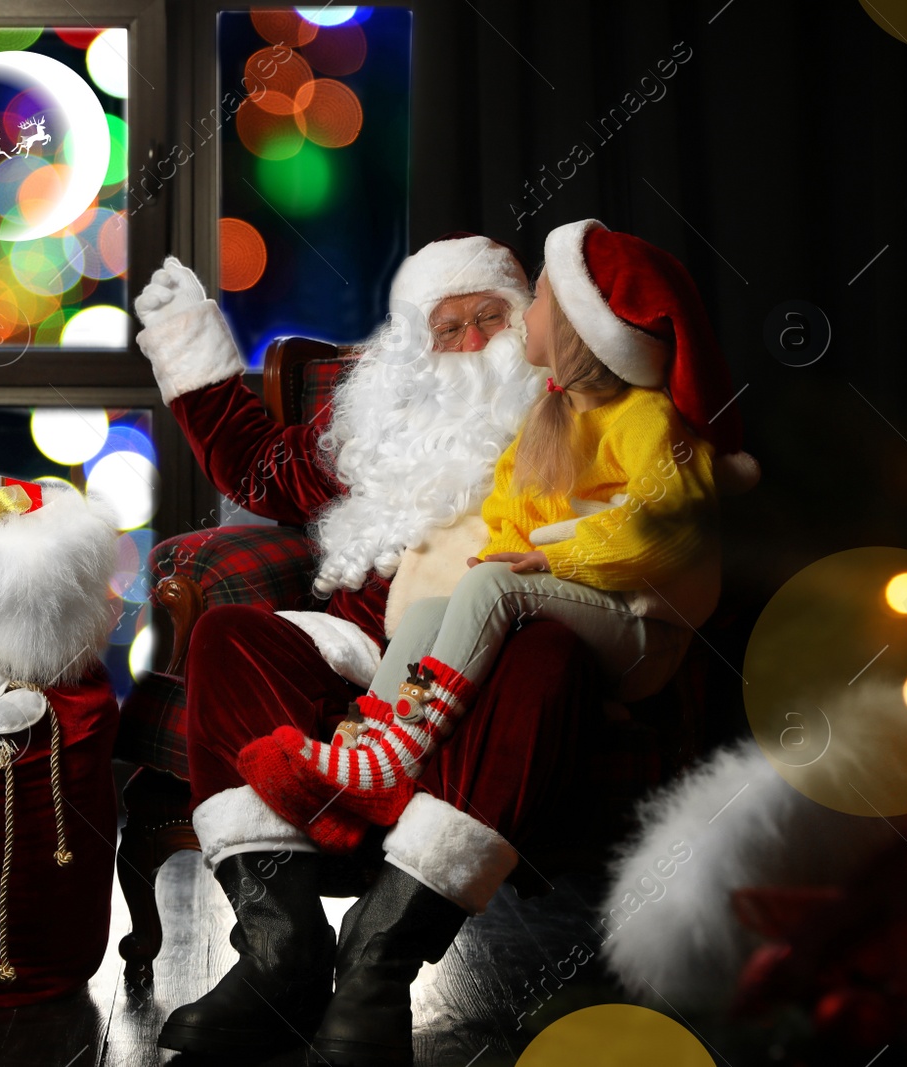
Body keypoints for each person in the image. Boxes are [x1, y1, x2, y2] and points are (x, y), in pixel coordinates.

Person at [133, 232, 644, 1064]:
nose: (475, 343)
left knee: (549, 658)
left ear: (531, 326)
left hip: (502, 656)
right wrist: (194, 346)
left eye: (492, 318)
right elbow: (259, 470)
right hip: (370, 654)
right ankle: (281, 954)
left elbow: (653, 512)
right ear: (414, 347)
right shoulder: (376, 432)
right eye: (449, 328)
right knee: (229, 636)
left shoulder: (586, 420)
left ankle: (376, 963)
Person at [240, 220, 756, 865]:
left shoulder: (644, 418)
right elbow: (512, 511)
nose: (520, 318)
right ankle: (368, 738)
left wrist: (550, 557)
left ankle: (399, 754)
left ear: (578, 327)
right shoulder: (547, 415)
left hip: (639, 625)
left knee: (487, 586)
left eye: (532, 301)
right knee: (438, 606)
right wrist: (503, 551)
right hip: (579, 603)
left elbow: (668, 524)